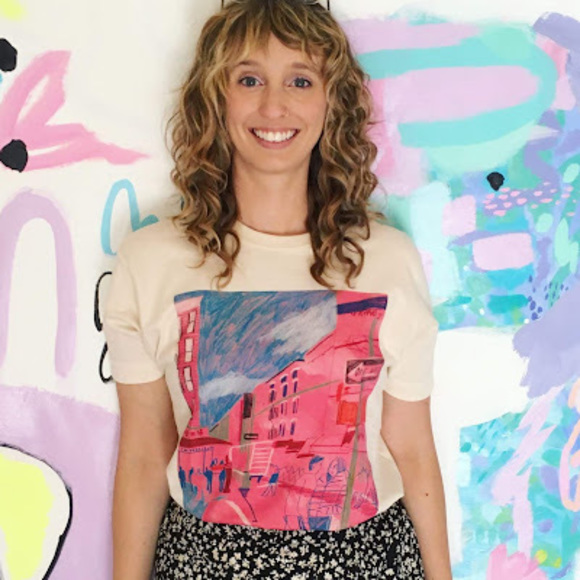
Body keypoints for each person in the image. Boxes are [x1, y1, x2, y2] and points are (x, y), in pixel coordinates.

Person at [102, 0, 453, 578]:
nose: (273, 105)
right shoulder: (149, 262)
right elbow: (143, 456)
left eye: (300, 80)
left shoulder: (388, 260)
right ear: (215, 98)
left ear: (330, 102)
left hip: (364, 563)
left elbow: (411, 446)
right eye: (249, 79)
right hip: (203, 565)